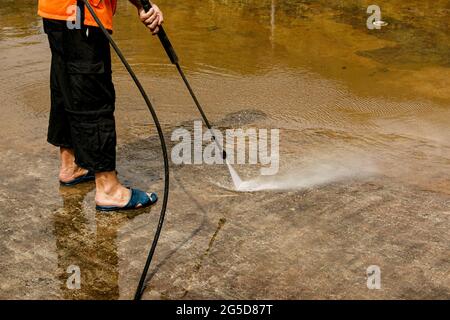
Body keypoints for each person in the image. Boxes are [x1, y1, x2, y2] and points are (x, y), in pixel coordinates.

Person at [38, 0, 164, 211]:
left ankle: (72, 166)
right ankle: (109, 189)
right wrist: (143, 4)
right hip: (83, 13)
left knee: (65, 85)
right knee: (93, 95)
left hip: (57, 10)